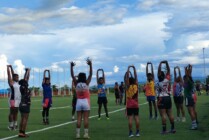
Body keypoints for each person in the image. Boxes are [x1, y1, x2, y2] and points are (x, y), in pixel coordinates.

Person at [71, 58, 92, 139]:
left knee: (79, 118)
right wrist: (90, 65)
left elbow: (72, 75)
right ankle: (86, 134)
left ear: (79, 77)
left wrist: (71, 66)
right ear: (84, 77)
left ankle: (78, 134)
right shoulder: (86, 83)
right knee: (86, 118)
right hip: (86, 102)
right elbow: (90, 74)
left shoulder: (76, 83)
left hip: (79, 102)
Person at [156, 60, 175, 134]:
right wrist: (166, 63)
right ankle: (173, 128)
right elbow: (169, 70)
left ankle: (164, 130)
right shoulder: (167, 80)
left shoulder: (158, 82)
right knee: (170, 113)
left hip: (161, 98)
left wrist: (160, 63)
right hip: (168, 97)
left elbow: (158, 71)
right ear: (164, 75)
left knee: (163, 114)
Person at [125, 65, 140, 137]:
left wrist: (128, 69)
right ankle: (137, 132)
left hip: (129, 105)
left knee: (130, 119)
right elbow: (136, 76)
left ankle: (130, 132)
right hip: (136, 104)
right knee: (136, 118)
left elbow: (127, 78)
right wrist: (134, 68)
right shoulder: (136, 85)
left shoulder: (127, 86)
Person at [183, 64, 198, 130]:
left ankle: (194, 125)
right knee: (193, 111)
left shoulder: (188, 82)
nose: (184, 79)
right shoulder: (191, 81)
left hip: (188, 98)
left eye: (184, 79)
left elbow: (187, 75)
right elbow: (188, 74)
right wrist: (189, 68)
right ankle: (195, 122)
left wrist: (187, 69)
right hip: (191, 97)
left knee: (190, 111)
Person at [7, 65, 20, 131]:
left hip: (18, 100)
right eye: (17, 77)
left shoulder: (17, 83)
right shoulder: (11, 82)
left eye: (18, 77)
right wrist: (8, 68)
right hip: (12, 100)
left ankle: (15, 124)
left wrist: (11, 67)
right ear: (14, 78)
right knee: (12, 112)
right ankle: (11, 125)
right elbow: (10, 75)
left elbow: (13, 74)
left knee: (16, 112)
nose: (18, 78)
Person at [18, 68, 31, 137]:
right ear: (24, 82)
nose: (27, 81)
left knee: (22, 118)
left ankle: (20, 132)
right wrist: (27, 72)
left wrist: (27, 72)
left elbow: (25, 78)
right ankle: (23, 133)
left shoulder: (21, 87)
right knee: (25, 119)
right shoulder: (25, 86)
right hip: (26, 104)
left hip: (21, 104)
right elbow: (26, 78)